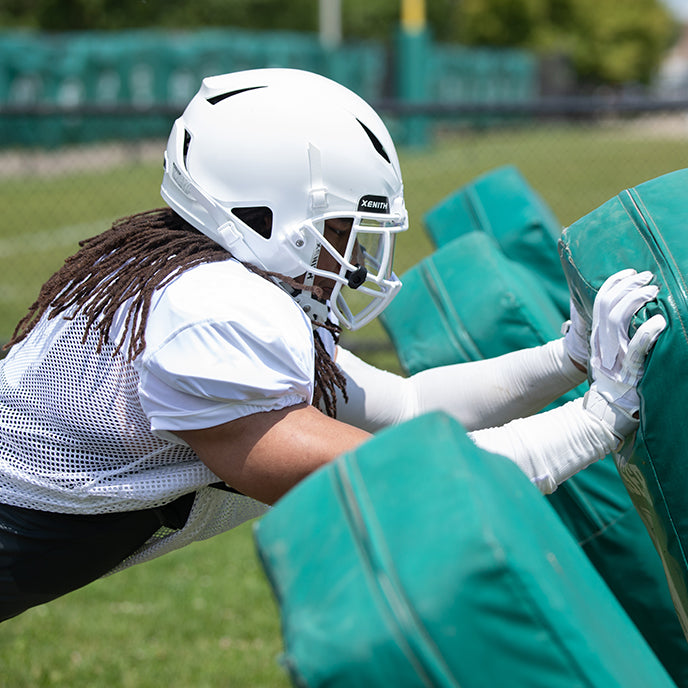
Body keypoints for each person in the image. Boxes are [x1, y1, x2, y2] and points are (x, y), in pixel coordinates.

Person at [0, 68, 665, 622]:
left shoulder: (207, 277)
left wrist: (568, 356)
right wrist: (595, 421)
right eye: (346, 226)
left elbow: (407, 405)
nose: (358, 252)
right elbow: (402, 478)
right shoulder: (211, 314)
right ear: (269, 216)